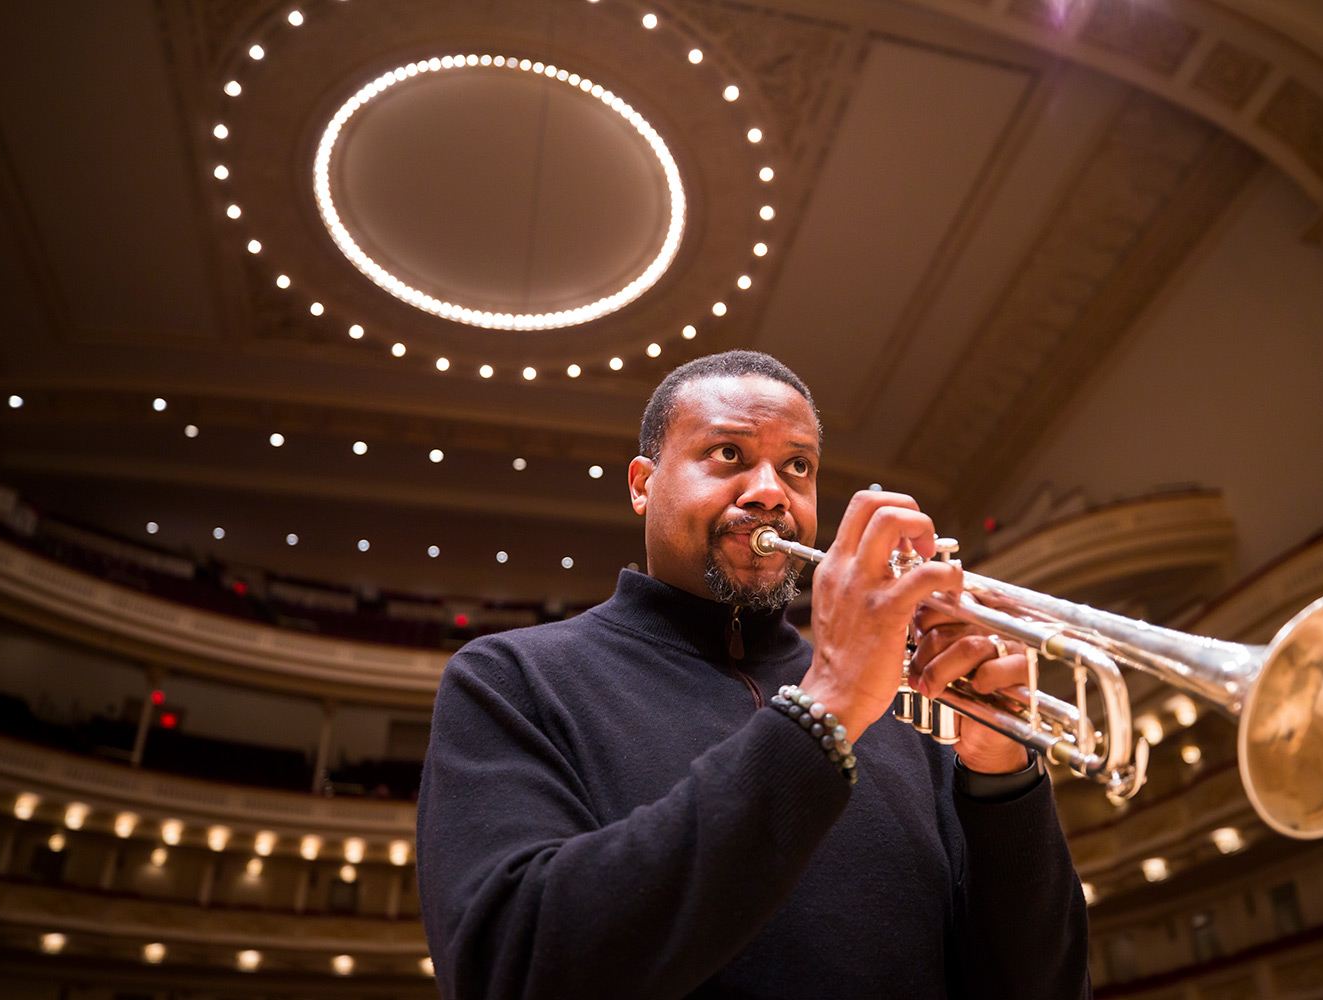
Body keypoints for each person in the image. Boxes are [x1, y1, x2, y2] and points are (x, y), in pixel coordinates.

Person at [417, 350, 1090, 999]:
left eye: (798, 466)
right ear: (642, 485)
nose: (771, 493)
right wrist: (825, 707)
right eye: (729, 455)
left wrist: (1003, 779)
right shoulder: (511, 678)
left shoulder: (904, 696)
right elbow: (510, 969)